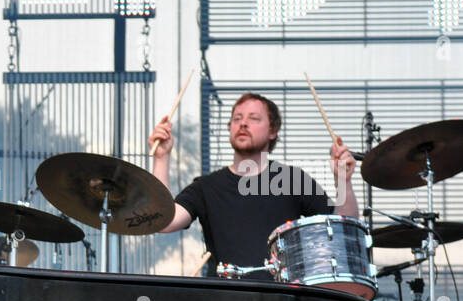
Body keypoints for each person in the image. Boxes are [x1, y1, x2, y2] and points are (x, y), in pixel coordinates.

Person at [148, 92, 360, 278]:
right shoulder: (206, 187)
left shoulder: (292, 180)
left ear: (273, 131)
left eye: (254, 118)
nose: (243, 123)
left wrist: (344, 182)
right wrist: (161, 158)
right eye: (237, 118)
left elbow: (343, 227)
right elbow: (163, 221)